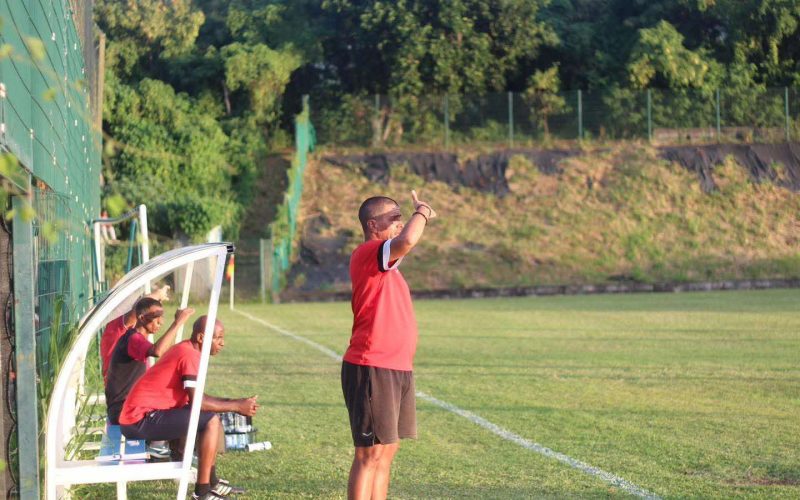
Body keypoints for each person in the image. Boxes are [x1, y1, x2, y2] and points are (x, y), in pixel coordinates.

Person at [341, 191, 436, 500]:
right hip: (372, 366)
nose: (399, 223)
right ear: (373, 224)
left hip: (395, 368)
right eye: (394, 218)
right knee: (368, 456)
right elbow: (408, 239)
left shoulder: (388, 265)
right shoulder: (368, 252)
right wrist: (420, 211)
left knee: (386, 454)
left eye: (401, 217)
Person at [119, 316, 259, 500]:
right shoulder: (189, 354)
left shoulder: (188, 348)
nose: (222, 343)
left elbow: (197, 398)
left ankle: (212, 482)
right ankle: (202, 492)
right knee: (210, 420)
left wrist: (236, 401)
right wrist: (236, 406)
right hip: (138, 419)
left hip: (142, 415)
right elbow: (198, 402)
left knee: (208, 416)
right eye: (218, 338)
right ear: (201, 338)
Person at [104, 297, 194, 425]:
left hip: (129, 407)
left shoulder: (136, 338)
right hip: (123, 411)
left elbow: (164, 351)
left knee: (183, 406)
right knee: (185, 416)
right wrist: (177, 323)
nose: (160, 322)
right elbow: (157, 351)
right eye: (156, 316)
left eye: (161, 316)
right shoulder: (133, 339)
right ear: (141, 318)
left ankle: (172, 443)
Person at [100, 285, 171, 384]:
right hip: (122, 388)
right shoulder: (116, 327)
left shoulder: (130, 331)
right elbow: (136, 311)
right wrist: (157, 294)